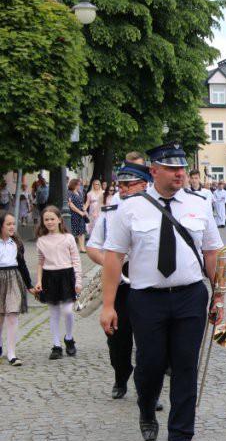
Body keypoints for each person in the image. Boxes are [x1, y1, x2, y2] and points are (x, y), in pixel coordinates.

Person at [100, 142, 224, 441]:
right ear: (154, 171)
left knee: (185, 367)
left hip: (190, 296)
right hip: (147, 299)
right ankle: (146, 407)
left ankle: (181, 439)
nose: (179, 173)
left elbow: (211, 252)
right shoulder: (130, 208)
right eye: (171, 168)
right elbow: (113, 257)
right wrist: (108, 305)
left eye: (182, 167)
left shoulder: (199, 204)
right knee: (150, 365)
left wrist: (219, 294)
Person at [87, 161, 151, 399]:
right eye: (120, 185)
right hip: (120, 286)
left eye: (127, 184)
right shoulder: (109, 213)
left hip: (147, 285)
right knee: (117, 340)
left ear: (144, 185)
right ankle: (121, 376)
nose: (121, 189)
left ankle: (149, 391)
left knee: (149, 341)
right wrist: (110, 263)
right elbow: (93, 246)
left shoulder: (156, 211)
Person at [32, 206, 82, 359]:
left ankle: (69, 338)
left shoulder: (68, 238)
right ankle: (56, 345)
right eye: (46, 219)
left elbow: (76, 260)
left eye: (52, 219)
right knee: (54, 313)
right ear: (43, 222)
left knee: (68, 311)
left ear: (59, 219)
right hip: (49, 277)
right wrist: (38, 281)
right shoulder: (41, 240)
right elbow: (40, 262)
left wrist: (78, 281)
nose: (49, 222)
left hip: (67, 275)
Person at [0, 212, 33, 366]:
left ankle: (11, 353)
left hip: (13, 278)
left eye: (14, 223)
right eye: (8, 224)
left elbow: (22, 266)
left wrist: (29, 285)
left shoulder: (17, 244)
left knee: (12, 315)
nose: (12, 226)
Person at [67, 178, 89, 252]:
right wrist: (80, 212)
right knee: (74, 232)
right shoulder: (69, 193)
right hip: (74, 215)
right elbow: (71, 205)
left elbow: (82, 203)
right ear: (74, 185)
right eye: (78, 185)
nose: (79, 186)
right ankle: (71, 248)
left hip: (81, 215)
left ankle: (82, 248)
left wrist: (84, 211)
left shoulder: (79, 193)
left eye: (80, 184)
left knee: (81, 231)